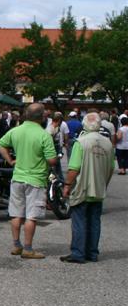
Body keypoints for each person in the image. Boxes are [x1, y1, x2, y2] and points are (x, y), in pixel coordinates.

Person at [0, 103, 57, 259]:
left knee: (16, 213)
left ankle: (16, 245)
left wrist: (10, 160)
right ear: (42, 117)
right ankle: (28, 248)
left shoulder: (16, 131)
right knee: (31, 215)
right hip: (36, 179)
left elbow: (1, 145)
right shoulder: (44, 135)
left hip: (17, 177)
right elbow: (51, 160)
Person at [60, 112, 115, 263]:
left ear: (84, 124)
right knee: (94, 221)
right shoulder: (108, 144)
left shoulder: (81, 142)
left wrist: (67, 186)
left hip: (83, 188)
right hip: (98, 188)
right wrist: (104, 183)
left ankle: (78, 253)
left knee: (79, 220)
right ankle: (92, 253)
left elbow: (74, 168)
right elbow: (110, 169)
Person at [45, 112, 66, 181]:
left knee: (56, 168)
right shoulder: (50, 129)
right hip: (53, 151)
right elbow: (49, 143)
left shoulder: (55, 128)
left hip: (56, 150)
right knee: (54, 168)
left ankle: (55, 181)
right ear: (59, 120)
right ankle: (52, 181)